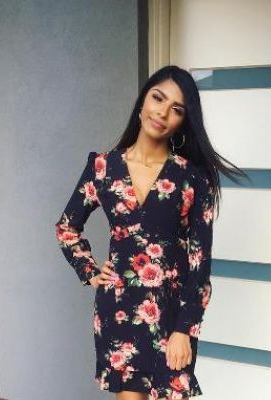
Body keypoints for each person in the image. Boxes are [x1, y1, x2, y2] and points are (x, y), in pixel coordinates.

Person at [55, 65, 249, 400]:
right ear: (143, 100)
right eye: (158, 98)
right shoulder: (102, 168)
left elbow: (199, 263)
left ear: (183, 121)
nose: (162, 112)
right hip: (119, 310)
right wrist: (90, 271)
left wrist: (185, 329)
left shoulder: (192, 178)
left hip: (172, 315)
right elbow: (67, 227)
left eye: (177, 109)